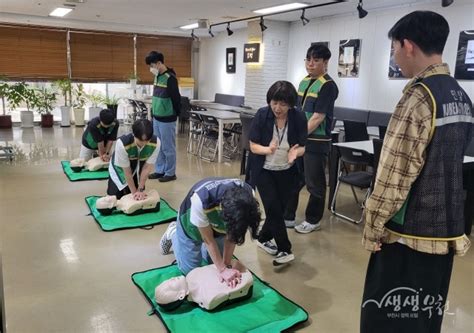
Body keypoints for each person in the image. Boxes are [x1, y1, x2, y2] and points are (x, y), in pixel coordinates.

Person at [360, 11, 473, 333]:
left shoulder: (418, 97)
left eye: (394, 48)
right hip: (446, 230)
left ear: (407, 45)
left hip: (406, 234)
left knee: (388, 317)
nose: (395, 56)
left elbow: (394, 173)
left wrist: (373, 224)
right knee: (425, 317)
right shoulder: (460, 96)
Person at [159, 178, 261, 287]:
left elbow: (233, 233)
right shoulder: (202, 199)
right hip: (191, 224)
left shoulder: (248, 198)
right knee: (191, 272)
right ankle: (174, 232)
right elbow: (208, 239)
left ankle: (213, 247)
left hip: (218, 226)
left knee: (213, 262)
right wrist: (222, 270)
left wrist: (226, 266)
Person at [247, 81, 307, 265]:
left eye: (283, 104)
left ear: (291, 104)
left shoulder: (298, 117)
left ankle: (263, 238)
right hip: (264, 170)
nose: (277, 108)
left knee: (278, 211)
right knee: (273, 208)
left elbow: (303, 146)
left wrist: (294, 153)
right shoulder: (262, 115)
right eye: (274, 102)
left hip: (287, 170)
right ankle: (285, 249)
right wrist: (268, 150)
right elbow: (252, 146)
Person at [285, 44, 339, 234]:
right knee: (293, 178)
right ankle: (288, 216)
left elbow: (318, 117)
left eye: (316, 60)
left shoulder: (328, 86)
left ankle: (313, 219)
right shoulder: (304, 81)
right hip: (301, 139)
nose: (311, 64)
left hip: (317, 142)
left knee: (315, 183)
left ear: (325, 62)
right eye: (308, 60)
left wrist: (299, 134)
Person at [145, 51, 181, 182]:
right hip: (157, 118)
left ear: (159, 63)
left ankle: (170, 172)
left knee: (168, 147)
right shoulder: (157, 76)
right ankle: (160, 170)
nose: (151, 68)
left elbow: (177, 99)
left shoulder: (170, 78)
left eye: (152, 65)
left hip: (167, 119)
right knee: (158, 146)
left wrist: (175, 114)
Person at [107, 119, 159, 200]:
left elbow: (147, 168)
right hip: (120, 169)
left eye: (147, 141)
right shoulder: (122, 143)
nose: (144, 144)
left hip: (137, 167)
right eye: (140, 141)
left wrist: (140, 189)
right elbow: (126, 171)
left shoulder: (156, 143)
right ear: (134, 134)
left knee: (136, 196)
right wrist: (134, 193)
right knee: (115, 197)